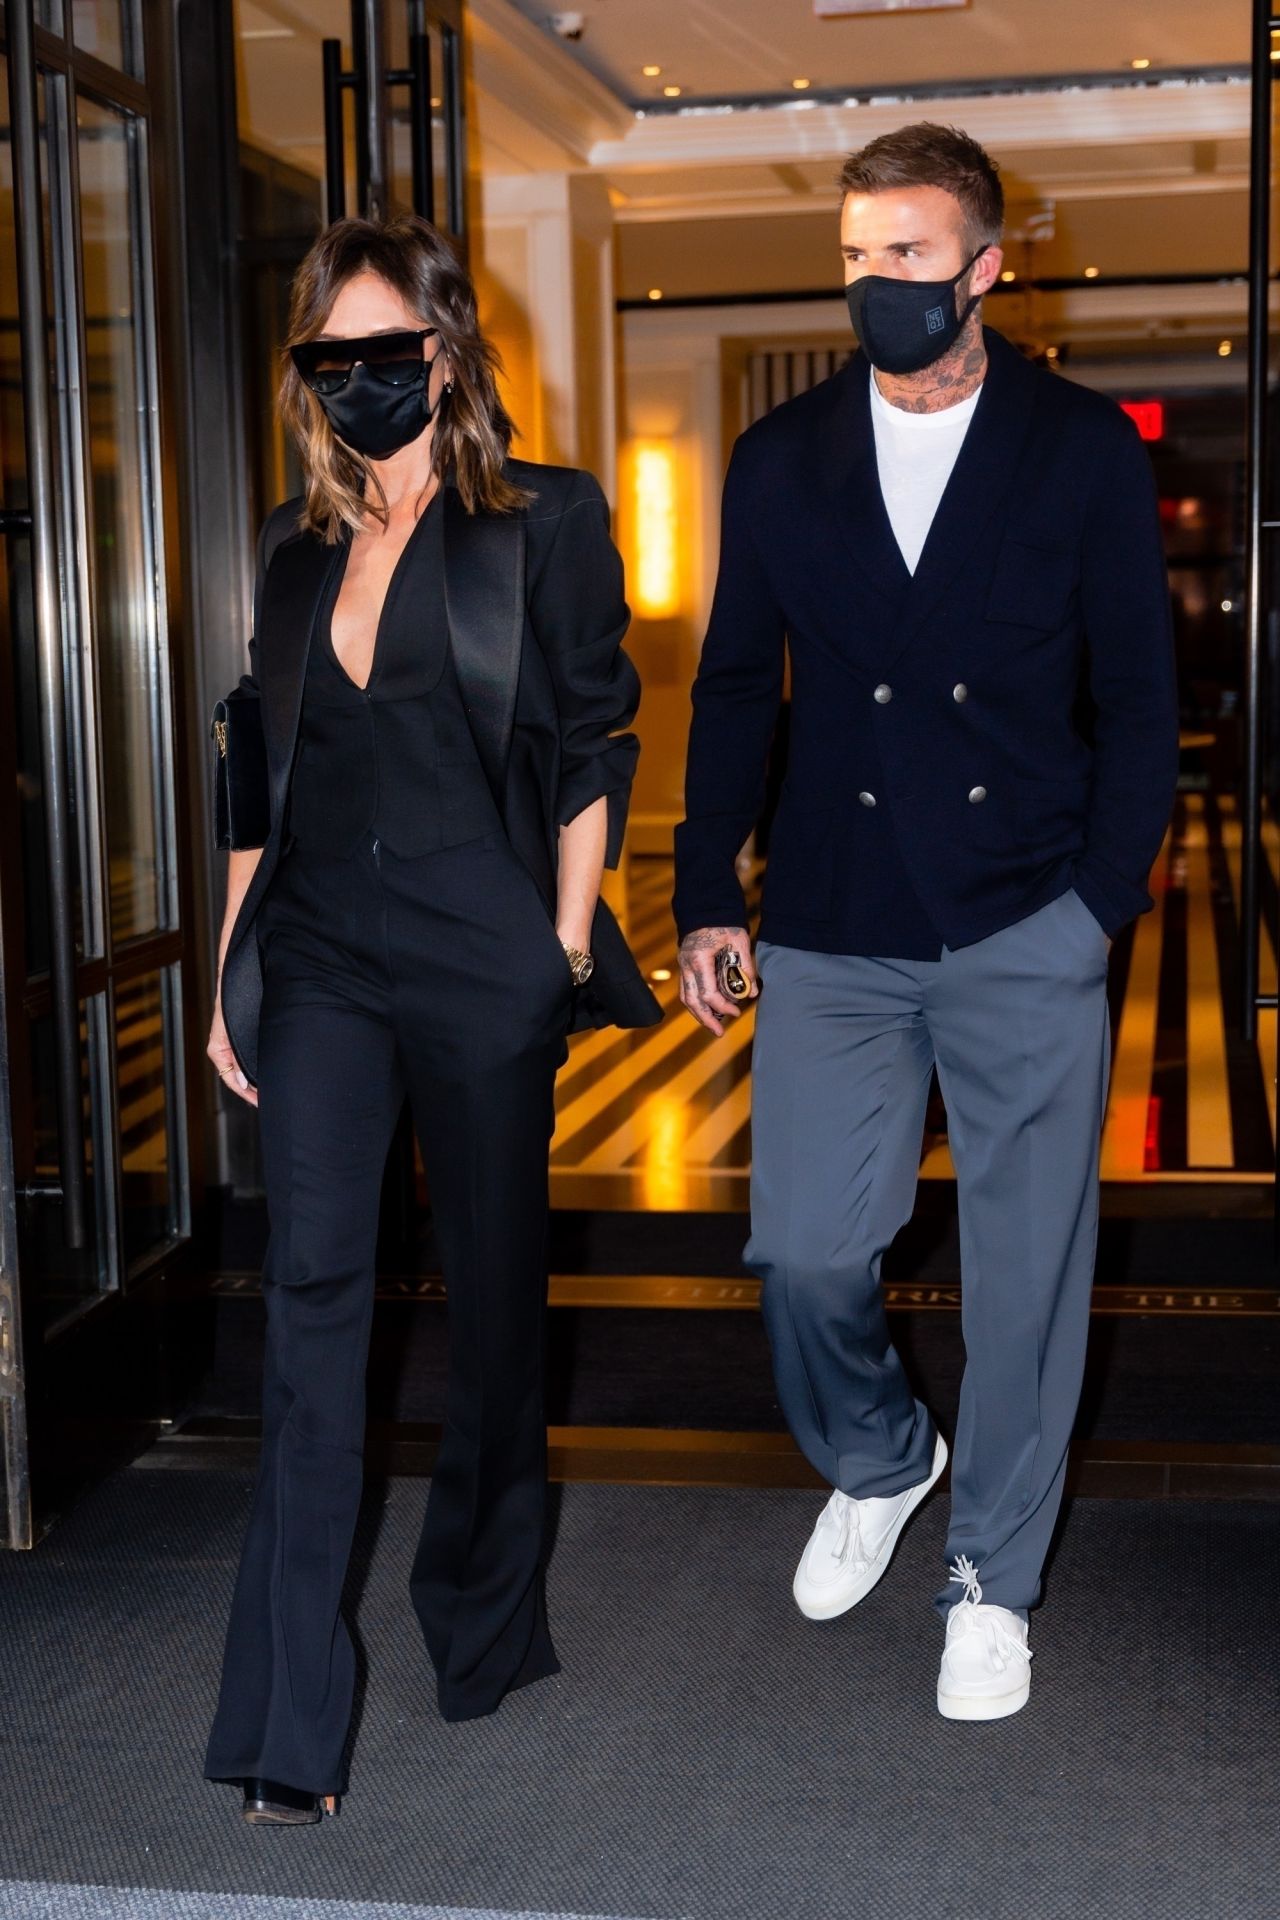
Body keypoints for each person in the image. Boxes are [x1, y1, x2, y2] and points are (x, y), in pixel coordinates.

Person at [674, 123, 1177, 1721]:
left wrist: (1096, 906)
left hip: (1026, 913)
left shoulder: (1080, 450)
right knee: (807, 1254)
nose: (874, 280)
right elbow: (737, 686)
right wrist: (706, 889)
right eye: (854, 255)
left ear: (984, 268)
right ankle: (886, 1455)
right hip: (835, 916)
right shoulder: (783, 457)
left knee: (1028, 1282)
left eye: (906, 253)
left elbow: (1138, 704)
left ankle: (990, 1581)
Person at [204, 212, 659, 1823]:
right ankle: (286, 1722)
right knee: (310, 1307)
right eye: (328, 358)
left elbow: (595, 739)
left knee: (495, 1305)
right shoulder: (291, 545)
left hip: (483, 950)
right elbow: (257, 767)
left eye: (387, 352)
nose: (360, 381)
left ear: (446, 356)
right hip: (323, 955)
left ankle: (482, 1613)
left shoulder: (543, 519)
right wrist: (233, 968)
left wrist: (556, 941)